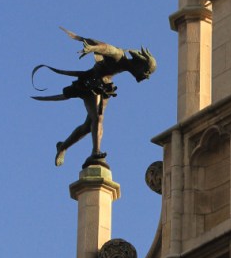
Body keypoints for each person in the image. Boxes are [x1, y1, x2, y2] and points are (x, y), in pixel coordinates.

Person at [32, 27, 156, 167]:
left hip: (105, 87)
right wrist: (91, 48)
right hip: (91, 83)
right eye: (145, 72)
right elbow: (106, 48)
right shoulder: (118, 55)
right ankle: (96, 151)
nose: (145, 77)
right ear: (140, 64)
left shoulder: (126, 65)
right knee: (97, 118)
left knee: (87, 126)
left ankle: (63, 146)